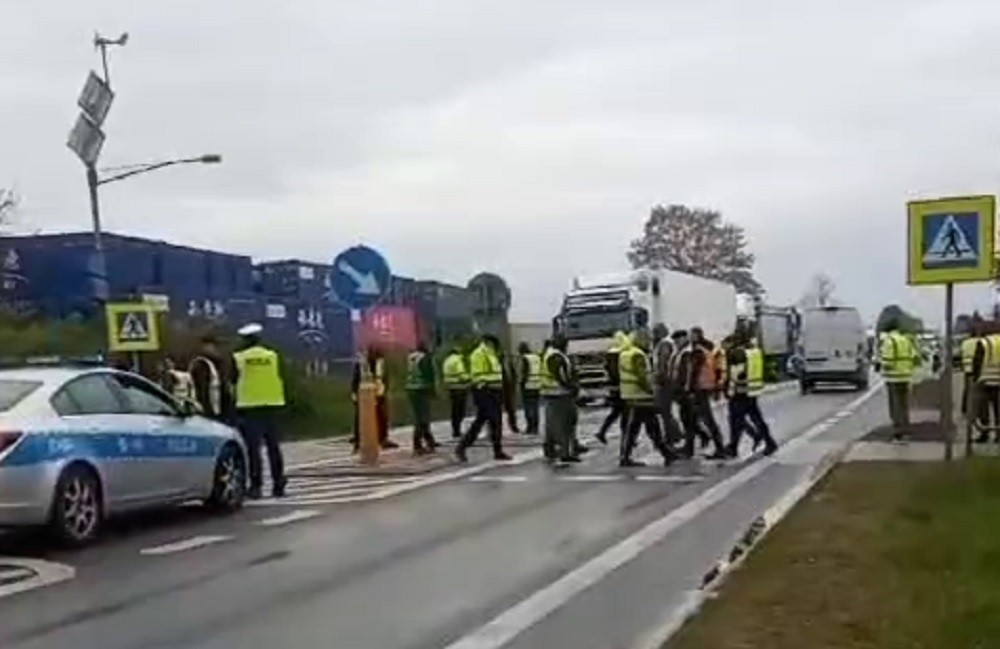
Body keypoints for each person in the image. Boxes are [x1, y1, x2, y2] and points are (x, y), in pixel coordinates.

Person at [232, 323, 288, 499]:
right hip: (272, 405)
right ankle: (278, 484)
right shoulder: (272, 356)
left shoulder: (238, 358)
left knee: (253, 449)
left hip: (250, 407)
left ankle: (256, 487)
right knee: (274, 448)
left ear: (244, 340)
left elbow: (232, 380)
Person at [618, 327, 678, 467]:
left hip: (631, 394)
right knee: (646, 427)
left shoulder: (626, 353)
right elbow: (641, 376)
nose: (650, 342)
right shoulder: (638, 355)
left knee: (642, 427)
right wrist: (651, 391)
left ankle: (666, 453)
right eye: (648, 340)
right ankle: (665, 453)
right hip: (640, 395)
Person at [455, 334, 511, 462]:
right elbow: (477, 375)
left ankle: (464, 447)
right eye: (493, 343)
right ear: (487, 342)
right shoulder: (478, 354)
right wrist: (483, 389)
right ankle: (464, 447)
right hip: (485, 392)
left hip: (494, 391)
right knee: (493, 421)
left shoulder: (491, 354)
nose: (495, 346)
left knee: (485, 421)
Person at [726, 332, 778, 457]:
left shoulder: (737, 353)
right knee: (755, 418)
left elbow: (735, 374)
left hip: (740, 391)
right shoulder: (754, 351)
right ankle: (768, 442)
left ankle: (733, 447)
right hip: (751, 390)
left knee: (736, 420)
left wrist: (729, 389)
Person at [685, 327, 727, 459]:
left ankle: (719, 448)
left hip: (699, 389)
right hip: (706, 387)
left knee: (706, 420)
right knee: (693, 419)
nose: (689, 338)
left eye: (691, 335)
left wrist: (689, 389)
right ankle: (690, 448)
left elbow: (693, 372)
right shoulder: (707, 349)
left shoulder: (697, 352)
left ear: (697, 336)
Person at [540, 332, 580, 463]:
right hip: (560, 394)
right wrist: (572, 387)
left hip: (553, 393)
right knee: (565, 424)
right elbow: (561, 375)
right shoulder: (555, 356)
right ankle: (565, 452)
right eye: (564, 342)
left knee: (553, 424)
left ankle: (551, 449)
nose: (566, 345)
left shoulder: (552, 354)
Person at [350, 346, 398, 451]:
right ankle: (359, 440)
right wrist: (354, 392)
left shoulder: (381, 361)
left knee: (382, 415)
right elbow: (356, 377)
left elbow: (384, 376)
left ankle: (382, 438)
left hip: (378, 391)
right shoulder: (363, 362)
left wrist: (384, 388)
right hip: (365, 393)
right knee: (361, 417)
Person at [877, 318, 917, 441]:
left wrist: (881, 364)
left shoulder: (889, 341)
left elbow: (887, 360)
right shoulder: (905, 339)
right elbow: (914, 356)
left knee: (895, 405)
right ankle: (906, 428)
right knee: (904, 405)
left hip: (893, 377)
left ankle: (897, 431)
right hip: (906, 376)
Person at [651, 323, 684, 447]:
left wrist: (659, 377)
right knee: (665, 411)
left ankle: (672, 436)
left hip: (665, 382)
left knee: (664, 410)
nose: (653, 334)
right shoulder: (661, 344)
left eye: (655, 331)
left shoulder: (664, 344)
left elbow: (663, 363)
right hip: (664, 381)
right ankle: (675, 434)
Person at [595, 330, 630, 445]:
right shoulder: (619, 354)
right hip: (621, 387)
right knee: (625, 412)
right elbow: (618, 373)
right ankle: (626, 436)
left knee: (616, 412)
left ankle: (603, 432)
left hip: (614, 388)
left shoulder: (610, 353)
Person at [189, 333, 232, 423]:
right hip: (210, 411)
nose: (216, 349)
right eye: (213, 346)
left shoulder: (217, 363)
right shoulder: (202, 364)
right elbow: (202, 389)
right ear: (205, 346)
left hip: (219, 409)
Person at [406, 342, 438, 455]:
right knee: (423, 418)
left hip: (411, 389)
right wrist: (433, 391)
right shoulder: (425, 358)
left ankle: (429, 441)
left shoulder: (411, 357)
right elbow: (429, 375)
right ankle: (419, 444)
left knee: (419, 416)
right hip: (422, 389)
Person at [971, 322, 1000, 443]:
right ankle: (999, 435)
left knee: (983, 409)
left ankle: (984, 433)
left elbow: (977, 361)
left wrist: (975, 378)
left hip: (985, 380)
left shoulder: (983, 342)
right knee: (998, 408)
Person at [442, 345, 470, 439]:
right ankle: (457, 430)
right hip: (460, 387)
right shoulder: (457, 360)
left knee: (454, 410)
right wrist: (469, 378)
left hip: (451, 388)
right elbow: (461, 374)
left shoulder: (447, 360)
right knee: (460, 411)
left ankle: (455, 430)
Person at [518, 341, 542, 435]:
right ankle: (535, 428)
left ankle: (530, 427)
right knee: (535, 407)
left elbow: (525, 372)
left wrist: (521, 383)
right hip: (537, 384)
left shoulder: (525, 358)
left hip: (528, 385)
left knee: (528, 407)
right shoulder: (536, 357)